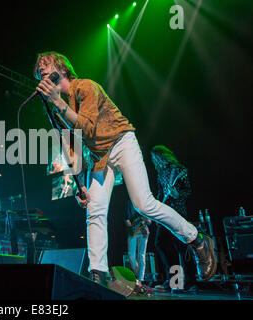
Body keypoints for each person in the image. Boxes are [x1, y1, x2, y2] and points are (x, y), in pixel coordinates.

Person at [33, 51, 216, 286]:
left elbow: (87, 129)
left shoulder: (86, 87)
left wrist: (56, 102)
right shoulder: (60, 107)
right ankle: (98, 274)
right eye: (38, 71)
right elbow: (75, 146)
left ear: (63, 69)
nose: (41, 71)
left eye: (45, 65)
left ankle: (197, 240)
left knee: (144, 203)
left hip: (121, 142)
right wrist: (80, 184)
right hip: (99, 157)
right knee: (95, 210)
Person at [150, 145, 198, 293]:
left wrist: (177, 194)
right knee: (161, 244)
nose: (153, 161)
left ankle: (190, 282)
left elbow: (187, 190)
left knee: (182, 246)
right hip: (164, 213)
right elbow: (159, 193)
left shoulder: (179, 170)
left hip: (178, 213)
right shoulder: (161, 173)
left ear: (161, 156)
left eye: (154, 157)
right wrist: (154, 210)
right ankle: (175, 281)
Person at [125, 200, 151, 286]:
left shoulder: (144, 202)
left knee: (141, 255)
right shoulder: (129, 203)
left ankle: (140, 279)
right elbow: (126, 218)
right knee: (131, 255)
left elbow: (149, 221)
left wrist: (145, 220)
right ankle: (137, 273)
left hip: (143, 231)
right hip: (133, 231)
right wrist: (130, 226)